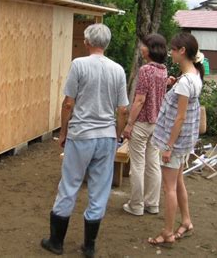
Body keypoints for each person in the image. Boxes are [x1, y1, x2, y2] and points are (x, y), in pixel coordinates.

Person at [41, 23, 129, 257]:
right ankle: (89, 246)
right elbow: (123, 110)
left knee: (69, 185)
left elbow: (68, 103)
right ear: (107, 44)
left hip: (81, 135)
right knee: (100, 190)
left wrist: (63, 133)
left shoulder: (79, 65)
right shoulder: (118, 70)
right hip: (106, 136)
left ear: (88, 42)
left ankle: (56, 242)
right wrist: (117, 134)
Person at [148, 32, 204, 246]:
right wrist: (174, 84)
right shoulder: (194, 76)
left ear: (182, 51)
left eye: (173, 49)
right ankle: (187, 221)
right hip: (185, 143)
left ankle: (167, 233)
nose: (170, 52)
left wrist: (168, 147)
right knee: (178, 182)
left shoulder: (185, 81)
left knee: (169, 188)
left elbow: (180, 117)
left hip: (174, 143)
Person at [122, 34, 168, 216]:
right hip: (157, 124)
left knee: (138, 165)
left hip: (141, 123)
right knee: (153, 164)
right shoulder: (163, 70)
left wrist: (129, 124)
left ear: (150, 49)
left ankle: (136, 205)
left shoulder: (146, 70)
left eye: (144, 45)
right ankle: (153, 204)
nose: (141, 48)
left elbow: (140, 99)